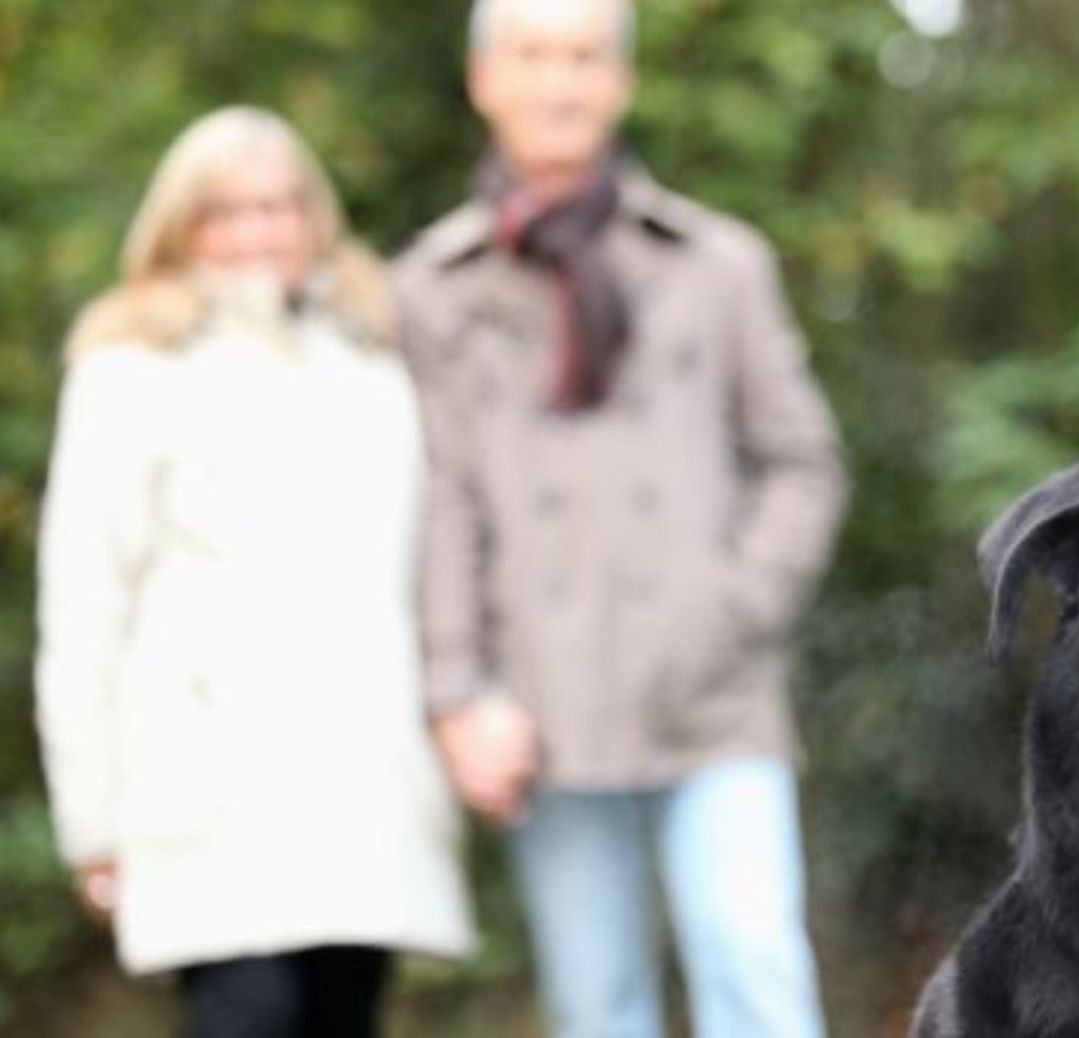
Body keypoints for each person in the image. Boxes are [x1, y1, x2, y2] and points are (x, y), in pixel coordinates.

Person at [393, 1, 849, 1035]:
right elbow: (442, 505)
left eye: (586, 58)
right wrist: (458, 697)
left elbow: (802, 462)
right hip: (543, 710)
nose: (561, 83)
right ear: (484, 80)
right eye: (535, 57)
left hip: (714, 695)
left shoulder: (717, 262)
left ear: (622, 82)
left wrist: (731, 607)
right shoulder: (430, 289)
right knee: (597, 1003)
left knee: (756, 968)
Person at [33, 106, 474, 1037]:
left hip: (359, 776)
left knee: (340, 1014)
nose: (257, 233)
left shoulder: (371, 363)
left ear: (314, 216)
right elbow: (83, 605)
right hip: (207, 782)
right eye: (227, 211)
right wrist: (93, 819)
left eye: (278, 207)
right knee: (248, 1012)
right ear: (182, 226)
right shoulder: (128, 370)